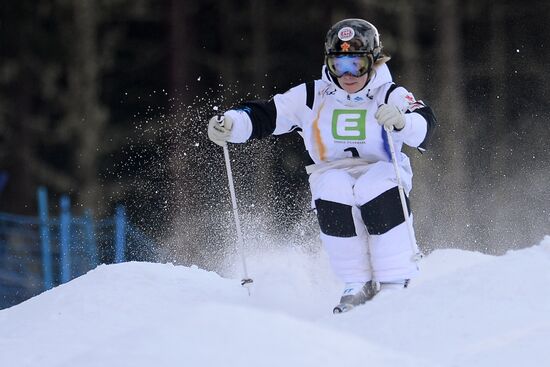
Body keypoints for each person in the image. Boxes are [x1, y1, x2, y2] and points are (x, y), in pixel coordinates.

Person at [208, 18, 436, 313]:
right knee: (332, 189)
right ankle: (356, 282)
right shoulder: (314, 95)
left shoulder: (388, 92)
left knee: (375, 187)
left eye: (358, 65)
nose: (348, 75)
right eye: (339, 64)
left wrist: (404, 121)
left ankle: (395, 277)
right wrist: (232, 123)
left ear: (373, 62)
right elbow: (268, 114)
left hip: (382, 168)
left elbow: (425, 121)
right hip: (330, 170)